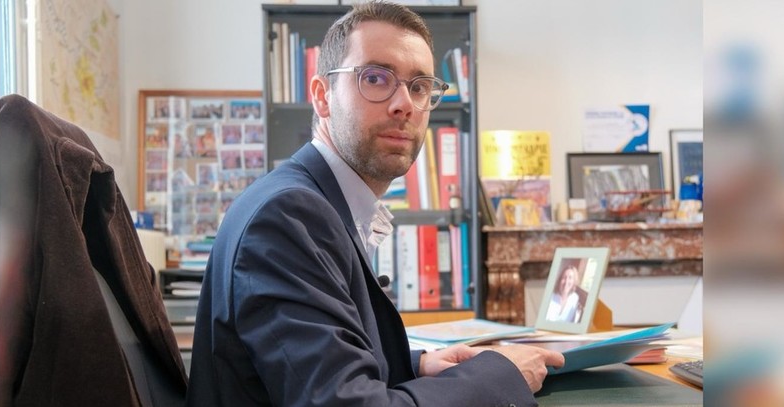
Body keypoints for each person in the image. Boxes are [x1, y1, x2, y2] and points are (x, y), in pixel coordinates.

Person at [186, 2, 563, 406]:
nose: (405, 104)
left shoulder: (313, 200)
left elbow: (320, 365)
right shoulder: (289, 216)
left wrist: (415, 365)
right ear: (322, 97)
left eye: (419, 86)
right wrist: (499, 375)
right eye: (375, 78)